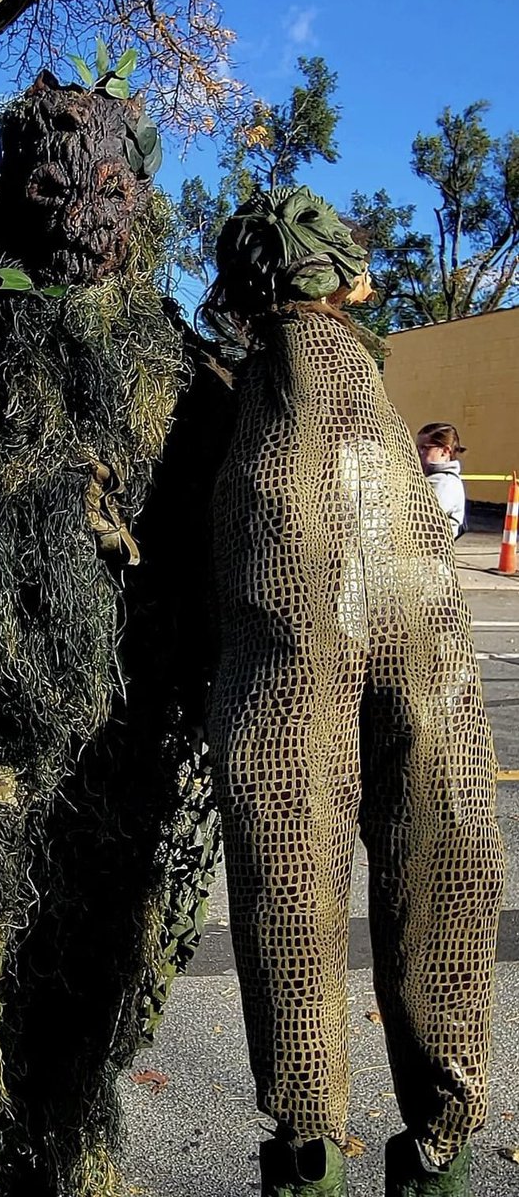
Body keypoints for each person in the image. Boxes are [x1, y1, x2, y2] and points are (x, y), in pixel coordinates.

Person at [206, 187, 503, 1197]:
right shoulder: (349, 394)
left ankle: (307, 1152)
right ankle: (438, 1149)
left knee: (287, 869)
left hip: (293, 660)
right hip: (421, 659)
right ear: (343, 278)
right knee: (449, 867)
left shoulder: (240, 393)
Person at [416, 421, 468, 539]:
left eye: (425, 448)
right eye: (417, 448)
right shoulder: (429, 477)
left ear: (445, 451)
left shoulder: (445, 483)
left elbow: (421, 519)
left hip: (430, 552)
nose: (419, 453)